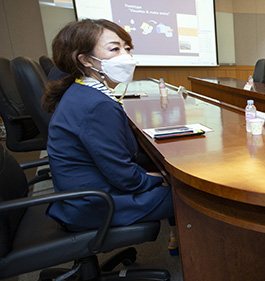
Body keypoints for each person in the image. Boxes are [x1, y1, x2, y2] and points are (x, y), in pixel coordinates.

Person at [41, 19, 178, 254]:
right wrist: (159, 178)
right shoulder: (96, 105)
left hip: (80, 193)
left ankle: (175, 239)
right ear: (85, 60)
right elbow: (125, 178)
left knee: (164, 174)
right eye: (114, 49)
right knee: (187, 196)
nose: (126, 56)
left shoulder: (80, 89)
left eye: (127, 48)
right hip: (94, 203)